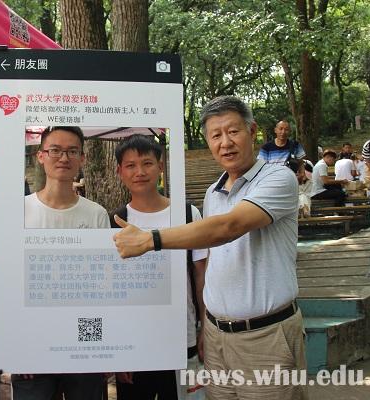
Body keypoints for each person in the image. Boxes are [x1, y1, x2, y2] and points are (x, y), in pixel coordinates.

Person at [113, 96, 307, 400]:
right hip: (218, 337)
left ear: (252, 131)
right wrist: (206, 326)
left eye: (233, 131)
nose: (225, 143)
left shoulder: (278, 178)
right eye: (216, 135)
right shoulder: (213, 193)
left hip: (265, 336)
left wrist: (151, 240)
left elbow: (228, 227)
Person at [15, 126, 109, 400]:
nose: (64, 158)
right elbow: (8, 280)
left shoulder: (96, 214)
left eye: (72, 151)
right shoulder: (18, 211)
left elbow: (102, 284)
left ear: (82, 158)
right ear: (40, 156)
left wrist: (102, 347)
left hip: (84, 336)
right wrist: (17, 346)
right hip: (33, 337)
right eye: (55, 150)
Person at [110, 134, 207, 400]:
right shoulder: (115, 221)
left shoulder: (188, 215)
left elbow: (201, 274)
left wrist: (205, 328)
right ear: (119, 171)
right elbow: (111, 290)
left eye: (147, 163)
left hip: (182, 336)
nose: (139, 172)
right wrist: (116, 348)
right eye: (130, 165)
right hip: (133, 343)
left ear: (161, 166)